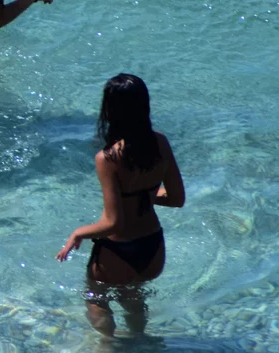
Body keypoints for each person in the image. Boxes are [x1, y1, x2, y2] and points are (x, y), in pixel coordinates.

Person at [56, 74, 186, 338]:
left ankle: (107, 346)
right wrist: (145, 196)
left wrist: (78, 233)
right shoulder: (160, 142)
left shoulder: (108, 158)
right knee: (134, 300)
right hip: (153, 248)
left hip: (117, 250)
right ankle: (140, 341)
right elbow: (176, 199)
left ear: (110, 110)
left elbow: (113, 223)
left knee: (97, 299)